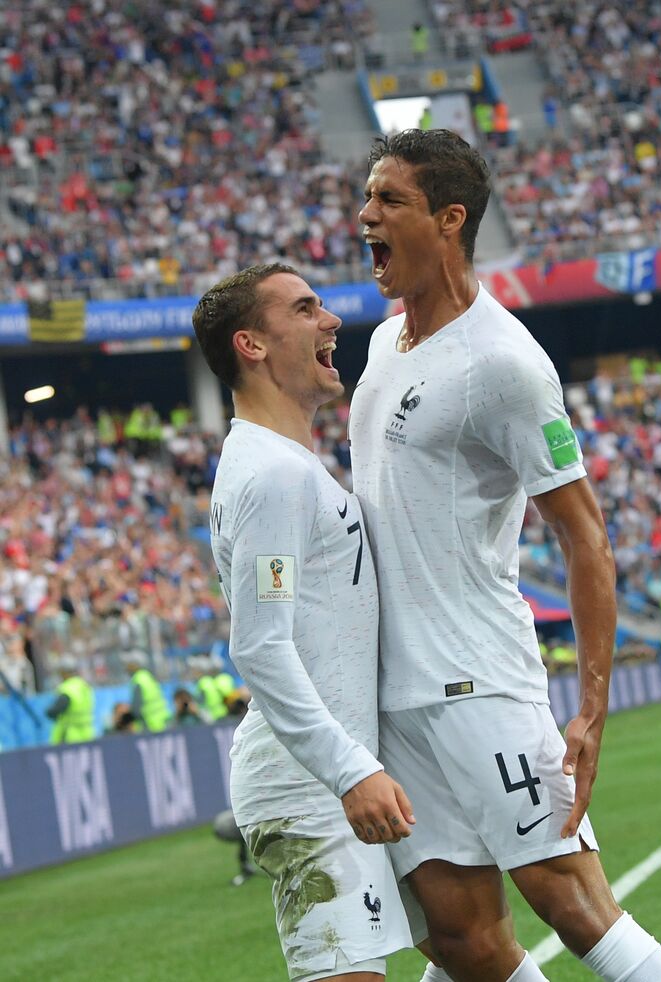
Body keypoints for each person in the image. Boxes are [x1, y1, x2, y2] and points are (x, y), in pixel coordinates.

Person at [351, 128, 661, 982]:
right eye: (367, 197)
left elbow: (585, 539)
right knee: (464, 942)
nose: (365, 217)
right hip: (394, 697)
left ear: (450, 219)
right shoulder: (382, 345)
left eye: (389, 200)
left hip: (477, 681)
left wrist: (592, 706)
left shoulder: (504, 364)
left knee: (573, 906)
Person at [194, 263, 415, 982]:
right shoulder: (272, 477)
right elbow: (260, 648)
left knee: (469, 939)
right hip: (309, 789)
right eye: (305, 308)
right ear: (252, 345)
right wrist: (351, 770)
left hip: (328, 779)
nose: (331, 321)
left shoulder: (280, 464)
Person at [45, 658, 96, 744]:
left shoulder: (67, 688)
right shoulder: (84, 685)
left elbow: (55, 710)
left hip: (70, 735)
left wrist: (48, 712)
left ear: (65, 673)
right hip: (88, 732)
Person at [125, 652, 171, 733]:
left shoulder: (138, 681)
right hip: (161, 722)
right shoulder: (148, 677)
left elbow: (136, 710)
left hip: (148, 725)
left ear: (135, 665)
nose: (126, 667)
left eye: (129, 664)